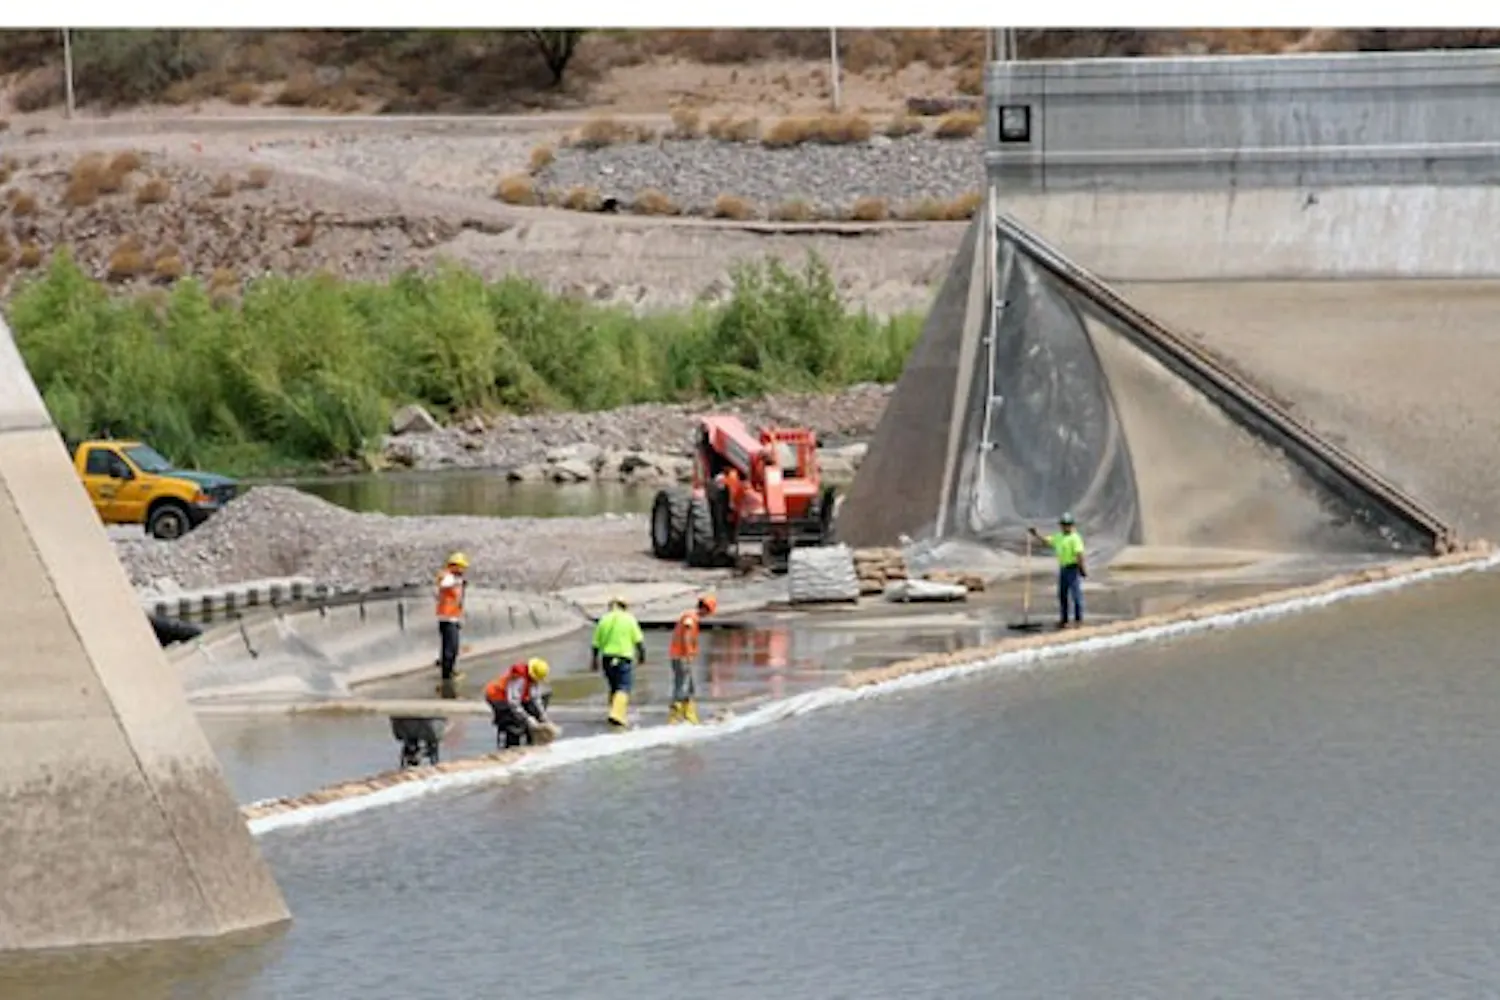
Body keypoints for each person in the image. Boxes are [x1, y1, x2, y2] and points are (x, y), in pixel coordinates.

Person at [591, 595, 645, 729]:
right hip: (623, 658)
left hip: (607, 658)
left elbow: (595, 643)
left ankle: (614, 713)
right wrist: (642, 655)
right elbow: (639, 641)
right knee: (623, 687)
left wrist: (594, 660)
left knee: (614, 687)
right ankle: (617, 715)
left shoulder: (604, 619)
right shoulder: (629, 619)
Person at [1029, 513, 1086, 628]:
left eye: (1068, 524)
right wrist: (1036, 535)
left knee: (1076, 595)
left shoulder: (1075, 538)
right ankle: (1064, 620)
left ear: (1072, 525)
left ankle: (1078, 620)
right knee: (1062, 595)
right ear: (1061, 526)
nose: (1066, 527)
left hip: (1073, 568)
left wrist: (1082, 568)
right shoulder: (1058, 537)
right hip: (1063, 569)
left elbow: (1079, 554)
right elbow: (1046, 541)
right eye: (1064, 524)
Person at [667, 593, 717, 724]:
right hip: (681, 656)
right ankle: (675, 716)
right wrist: (688, 652)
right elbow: (687, 634)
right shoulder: (690, 618)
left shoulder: (690, 617)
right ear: (705, 608)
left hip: (679, 656)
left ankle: (689, 716)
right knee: (682, 685)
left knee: (689, 687)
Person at [484, 658, 553, 749]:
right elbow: (513, 702)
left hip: (512, 697)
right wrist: (528, 719)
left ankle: (530, 738)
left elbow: (536, 698)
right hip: (497, 696)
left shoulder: (532, 680)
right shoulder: (519, 678)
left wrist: (543, 716)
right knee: (512, 722)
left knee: (531, 708)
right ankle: (511, 745)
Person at [434, 552, 468, 698]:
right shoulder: (447, 576)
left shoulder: (457, 579)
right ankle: (446, 676)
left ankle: (450, 670)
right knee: (450, 648)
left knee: (453, 647)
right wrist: (456, 581)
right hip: (446, 618)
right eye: (461, 567)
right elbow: (443, 584)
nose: (463, 570)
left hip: (453, 617)